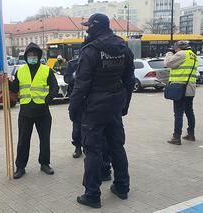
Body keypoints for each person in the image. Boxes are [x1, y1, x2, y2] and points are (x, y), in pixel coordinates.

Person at [68, 13, 135, 208]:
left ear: (96, 27)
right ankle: (122, 187)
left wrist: (74, 111)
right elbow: (129, 81)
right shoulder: (123, 48)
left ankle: (92, 194)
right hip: (115, 104)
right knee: (117, 146)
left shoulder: (90, 51)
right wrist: (125, 105)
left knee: (93, 151)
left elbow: (80, 86)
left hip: (94, 108)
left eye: (89, 26)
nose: (86, 30)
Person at [9, 42, 59, 179]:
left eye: (35, 55)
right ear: (26, 56)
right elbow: (14, 89)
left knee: (44, 139)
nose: (32, 57)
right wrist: (5, 80)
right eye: (30, 55)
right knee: (23, 141)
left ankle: (44, 164)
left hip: (42, 112)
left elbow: (55, 88)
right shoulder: (21, 71)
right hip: (25, 112)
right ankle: (20, 167)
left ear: (39, 56)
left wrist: (46, 101)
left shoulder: (46, 70)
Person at [164, 41, 198, 145]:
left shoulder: (181, 54)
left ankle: (176, 137)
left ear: (178, 48)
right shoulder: (193, 55)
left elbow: (168, 63)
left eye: (175, 48)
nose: (174, 50)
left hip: (180, 88)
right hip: (190, 88)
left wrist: (169, 53)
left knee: (178, 113)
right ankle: (191, 134)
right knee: (189, 111)